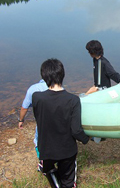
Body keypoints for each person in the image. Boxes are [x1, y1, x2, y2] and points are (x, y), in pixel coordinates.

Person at [32, 58, 89, 188]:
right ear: (63, 75)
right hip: (66, 151)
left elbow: (40, 119)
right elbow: (76, 130)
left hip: (45, 149)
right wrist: (86, 139)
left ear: (44, 77)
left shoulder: (36, 98)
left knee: (48, 170)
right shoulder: (73, 100)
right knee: (68, 181)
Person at [18, 79, 48, 159]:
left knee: (38, 140)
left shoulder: (33, 88)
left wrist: (21, 120)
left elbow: (24, 108)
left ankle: (41, 159)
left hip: (41, 122)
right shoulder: (58, 87)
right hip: (55, 121)